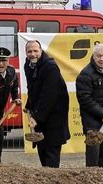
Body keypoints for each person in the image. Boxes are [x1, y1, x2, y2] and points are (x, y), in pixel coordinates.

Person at [23, 40, 71, 168]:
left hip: (54, 117)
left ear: (41, 51)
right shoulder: (28, 65)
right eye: (29, 51)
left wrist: (36, 116)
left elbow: (49, 94)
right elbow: (33, 88)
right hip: (42, 117)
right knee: (42, 149)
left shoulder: (50, 67)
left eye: (35, 51)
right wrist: (29, 104)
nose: (33, 54)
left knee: (51, 153)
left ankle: (53, 183)